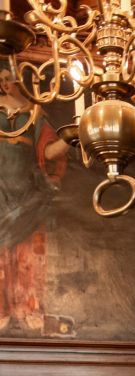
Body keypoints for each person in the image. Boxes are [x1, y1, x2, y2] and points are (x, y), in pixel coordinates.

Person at [0, 63, 73, 337]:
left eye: (9, 78)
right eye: (1, 79)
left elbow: (51, 152)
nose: (5, 84)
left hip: (26, 188)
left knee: (28, 252)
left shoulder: (33, 112)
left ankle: (28, 309)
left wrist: (71, 136)